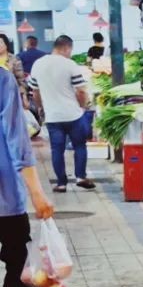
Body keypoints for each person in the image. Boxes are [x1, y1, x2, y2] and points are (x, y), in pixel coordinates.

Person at [0, 66, 54, 287]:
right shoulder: (1, 79)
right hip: (4, 199)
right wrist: (36, 192)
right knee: (20, 261)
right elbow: (16, 139)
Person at [28, 35, 96, 192]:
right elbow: (81, 91)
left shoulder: (38, 64)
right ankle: (80, 177)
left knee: (57, 149)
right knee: (79, 145)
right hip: (73, 115)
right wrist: (83, 106)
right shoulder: (70, 64)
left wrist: (41, 107)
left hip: (52, 116)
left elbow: (35, 92)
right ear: (66, 48)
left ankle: (61, 183)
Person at [0, 34, 29, 107]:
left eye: (0, 42)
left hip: (11, 95)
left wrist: (23, 95)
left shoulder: (14, 59)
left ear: (6, 44)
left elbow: (21, 80)